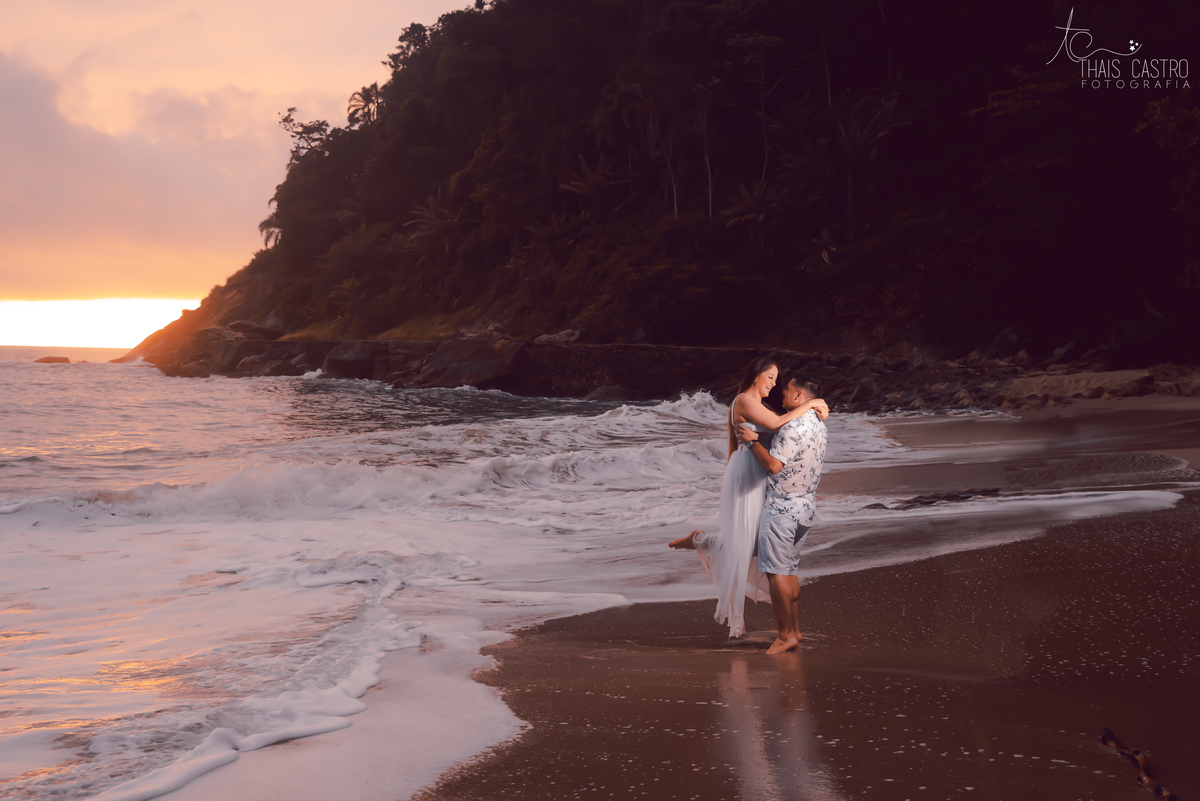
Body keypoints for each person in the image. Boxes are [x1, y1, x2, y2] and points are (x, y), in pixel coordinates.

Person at [669, 358, 828, 638]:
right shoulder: (743, 400)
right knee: (745, 544)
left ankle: (702, 540)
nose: (773, 384)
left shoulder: (764, 407)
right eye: (769, 377)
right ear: (755, 376)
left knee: (755, 545)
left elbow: (779, 432)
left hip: (761, 473)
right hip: (748, 472)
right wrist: (811, 404)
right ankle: (738, 619)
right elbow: (780, 424)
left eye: (776, 379)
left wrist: (809, 406)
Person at [738, 372, 827, 654]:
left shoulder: (792, 426)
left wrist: (753, 442)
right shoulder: (818, 422)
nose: (783, 394)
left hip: (782, 508)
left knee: (776, 573)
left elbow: (774, 466)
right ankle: (795, 631)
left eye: (788, 390)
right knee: (789, 570)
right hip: (805, 506)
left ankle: (785, 635)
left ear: (799, 396)